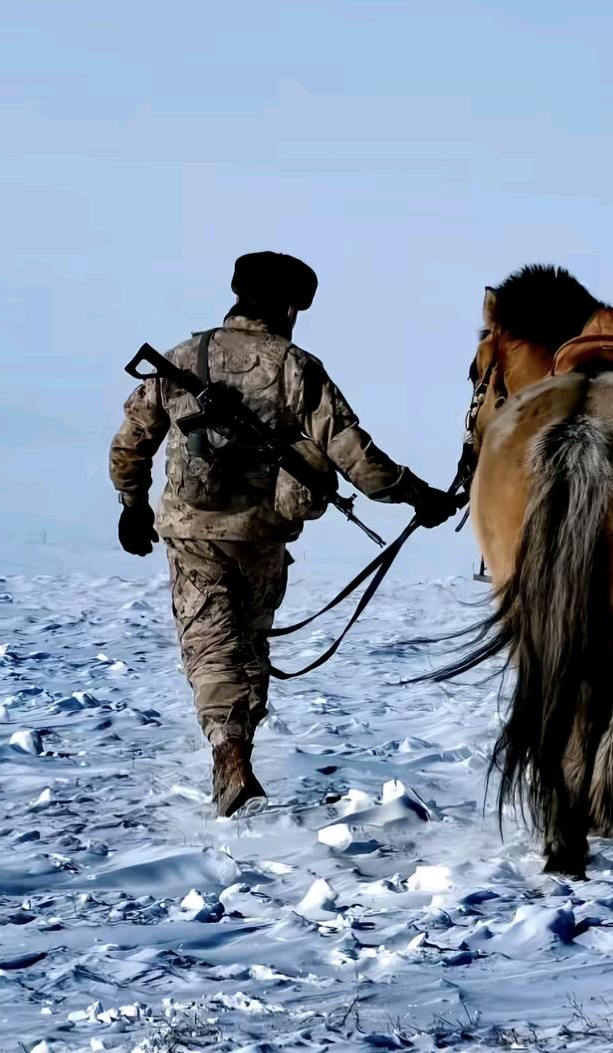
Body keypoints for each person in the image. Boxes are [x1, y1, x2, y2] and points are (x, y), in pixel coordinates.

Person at [109, 251, 459, 816]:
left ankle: (229, 755)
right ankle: (237, 758)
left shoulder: (181, 358)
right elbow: (356, 456)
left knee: (211, 645)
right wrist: (421, 497)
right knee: (248, 645)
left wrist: (132, 505)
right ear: (292, 308)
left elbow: (131, 443)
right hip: (262, 535)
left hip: (192, 533)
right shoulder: (297, 367)